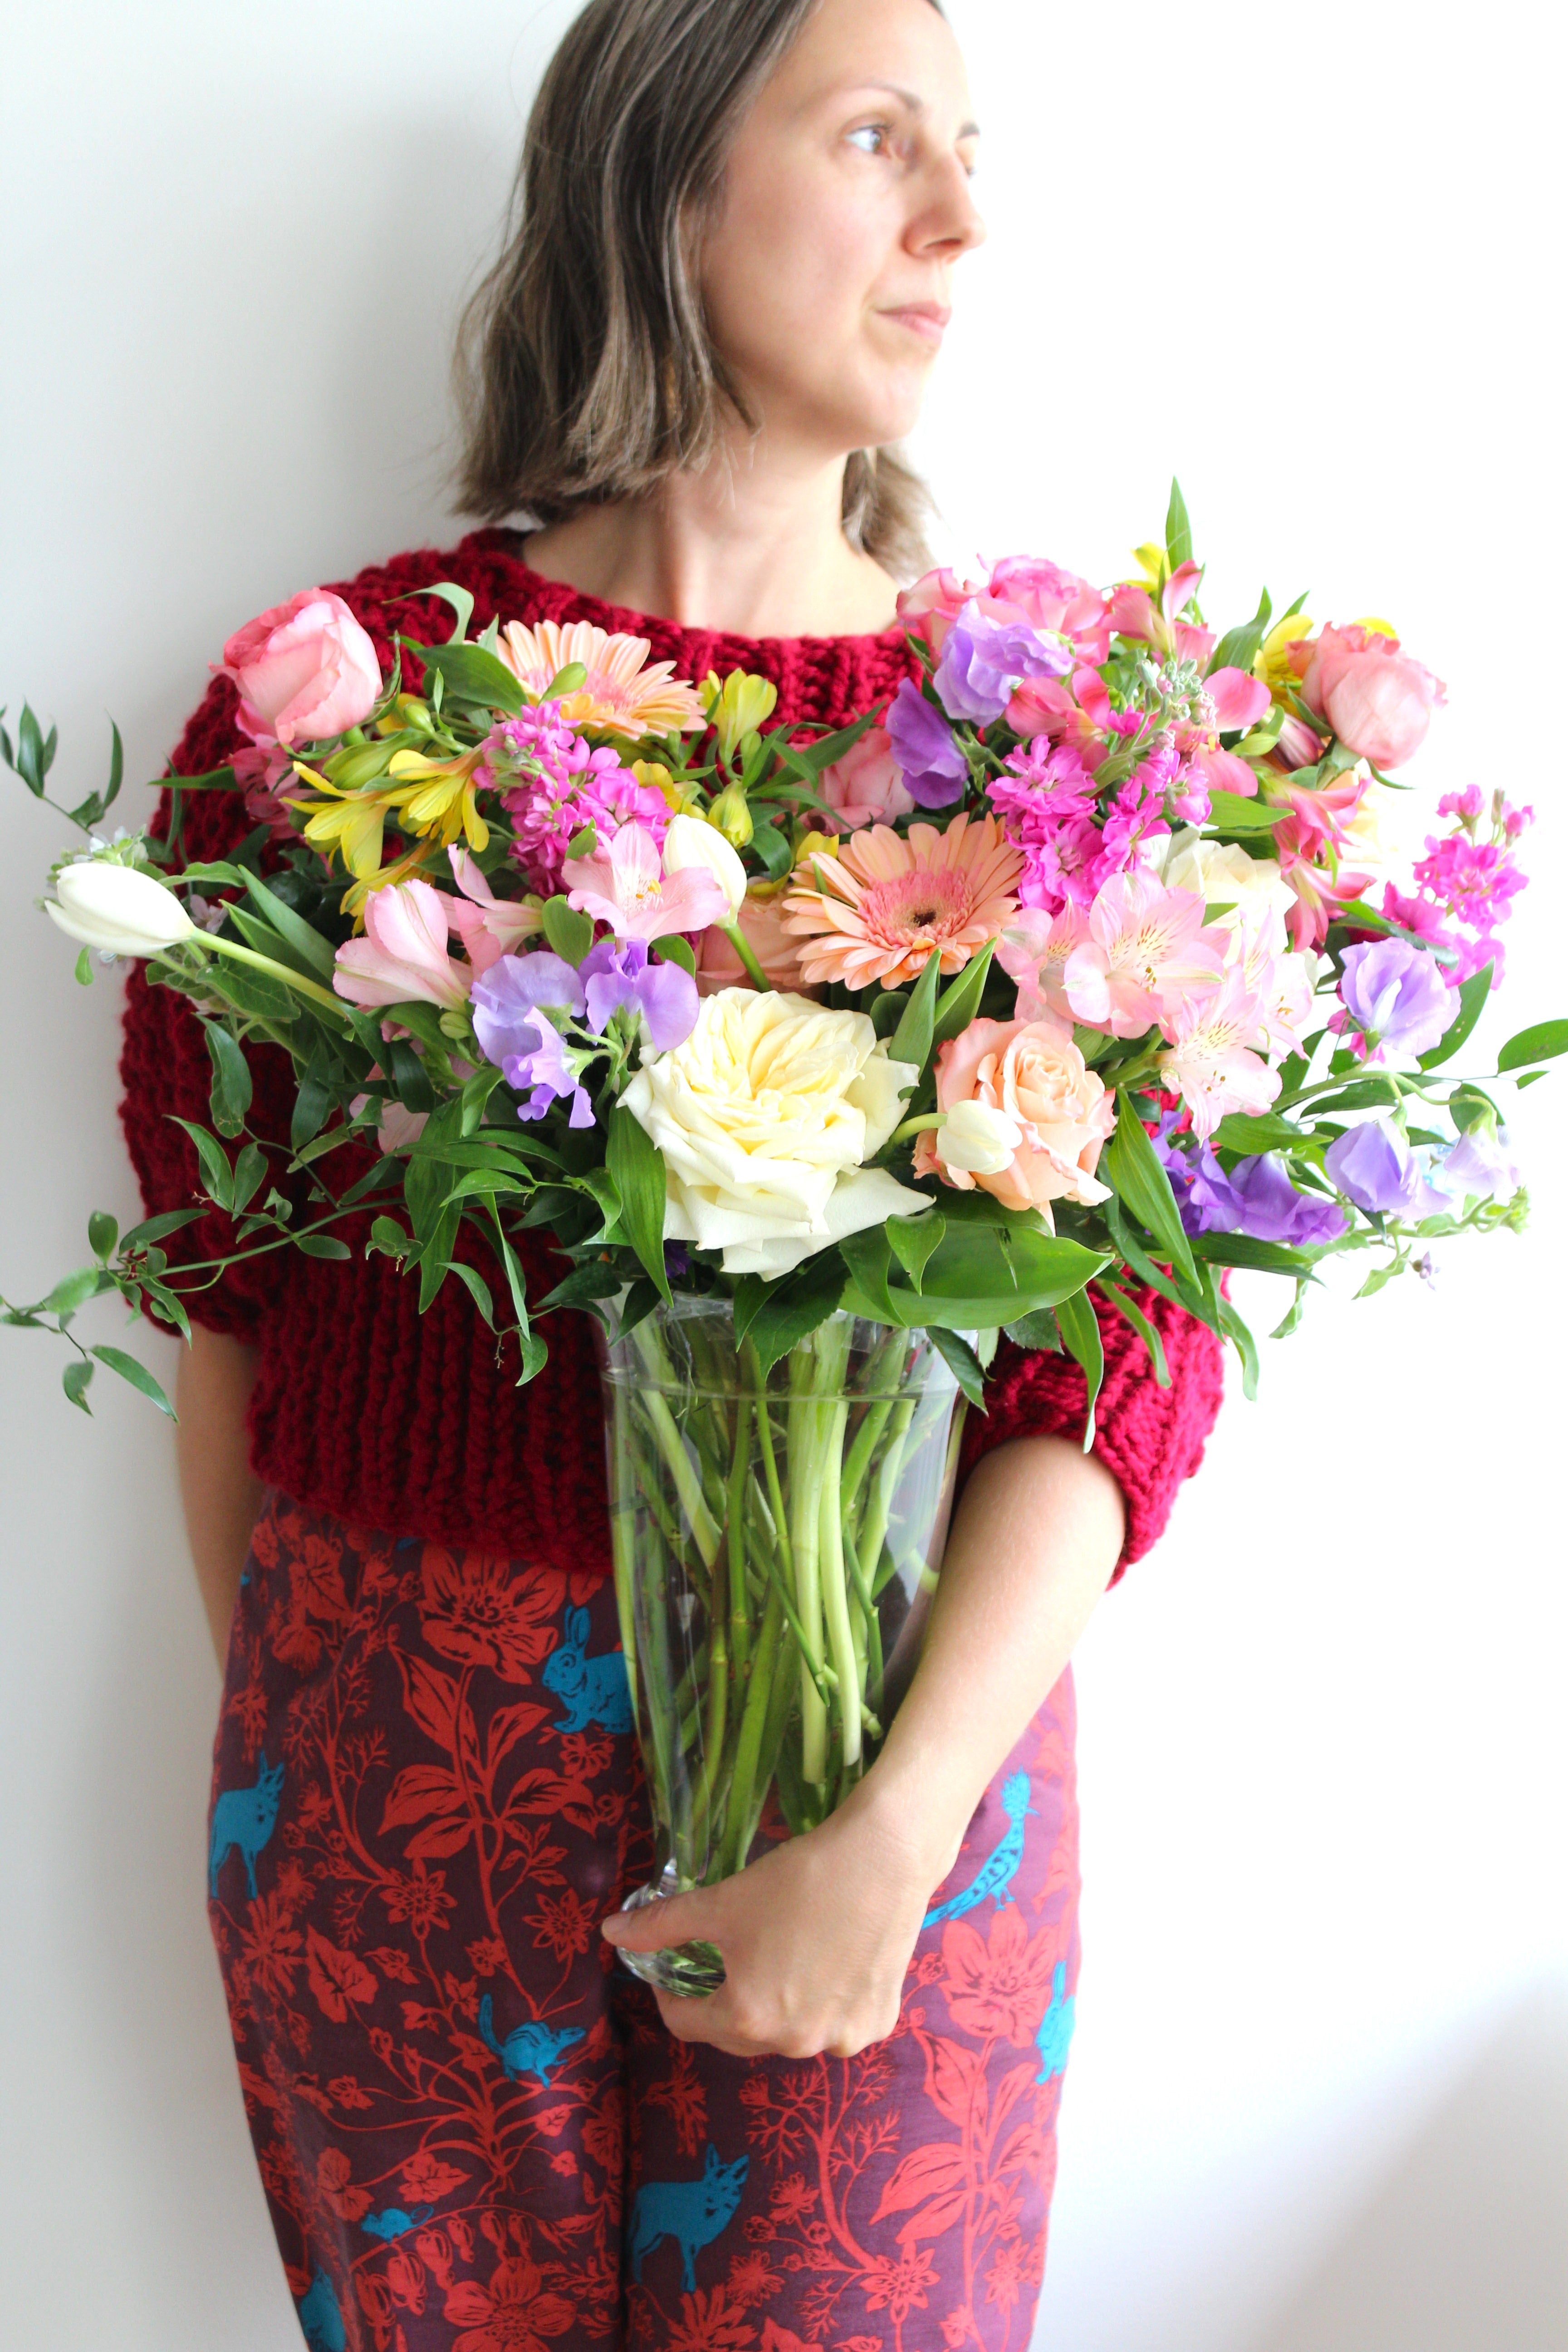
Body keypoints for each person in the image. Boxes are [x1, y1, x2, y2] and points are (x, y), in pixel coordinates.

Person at [121, 3, 1224, 2344]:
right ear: (665, 184)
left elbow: (1118, 1383)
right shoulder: (355, 701)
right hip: (396, 1759)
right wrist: (339, 1759)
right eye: (873, 139)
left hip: (882, 1787)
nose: (959, 219)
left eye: (967, 153)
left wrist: (897, 1832)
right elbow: (224, 1284)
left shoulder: (1038, 758)